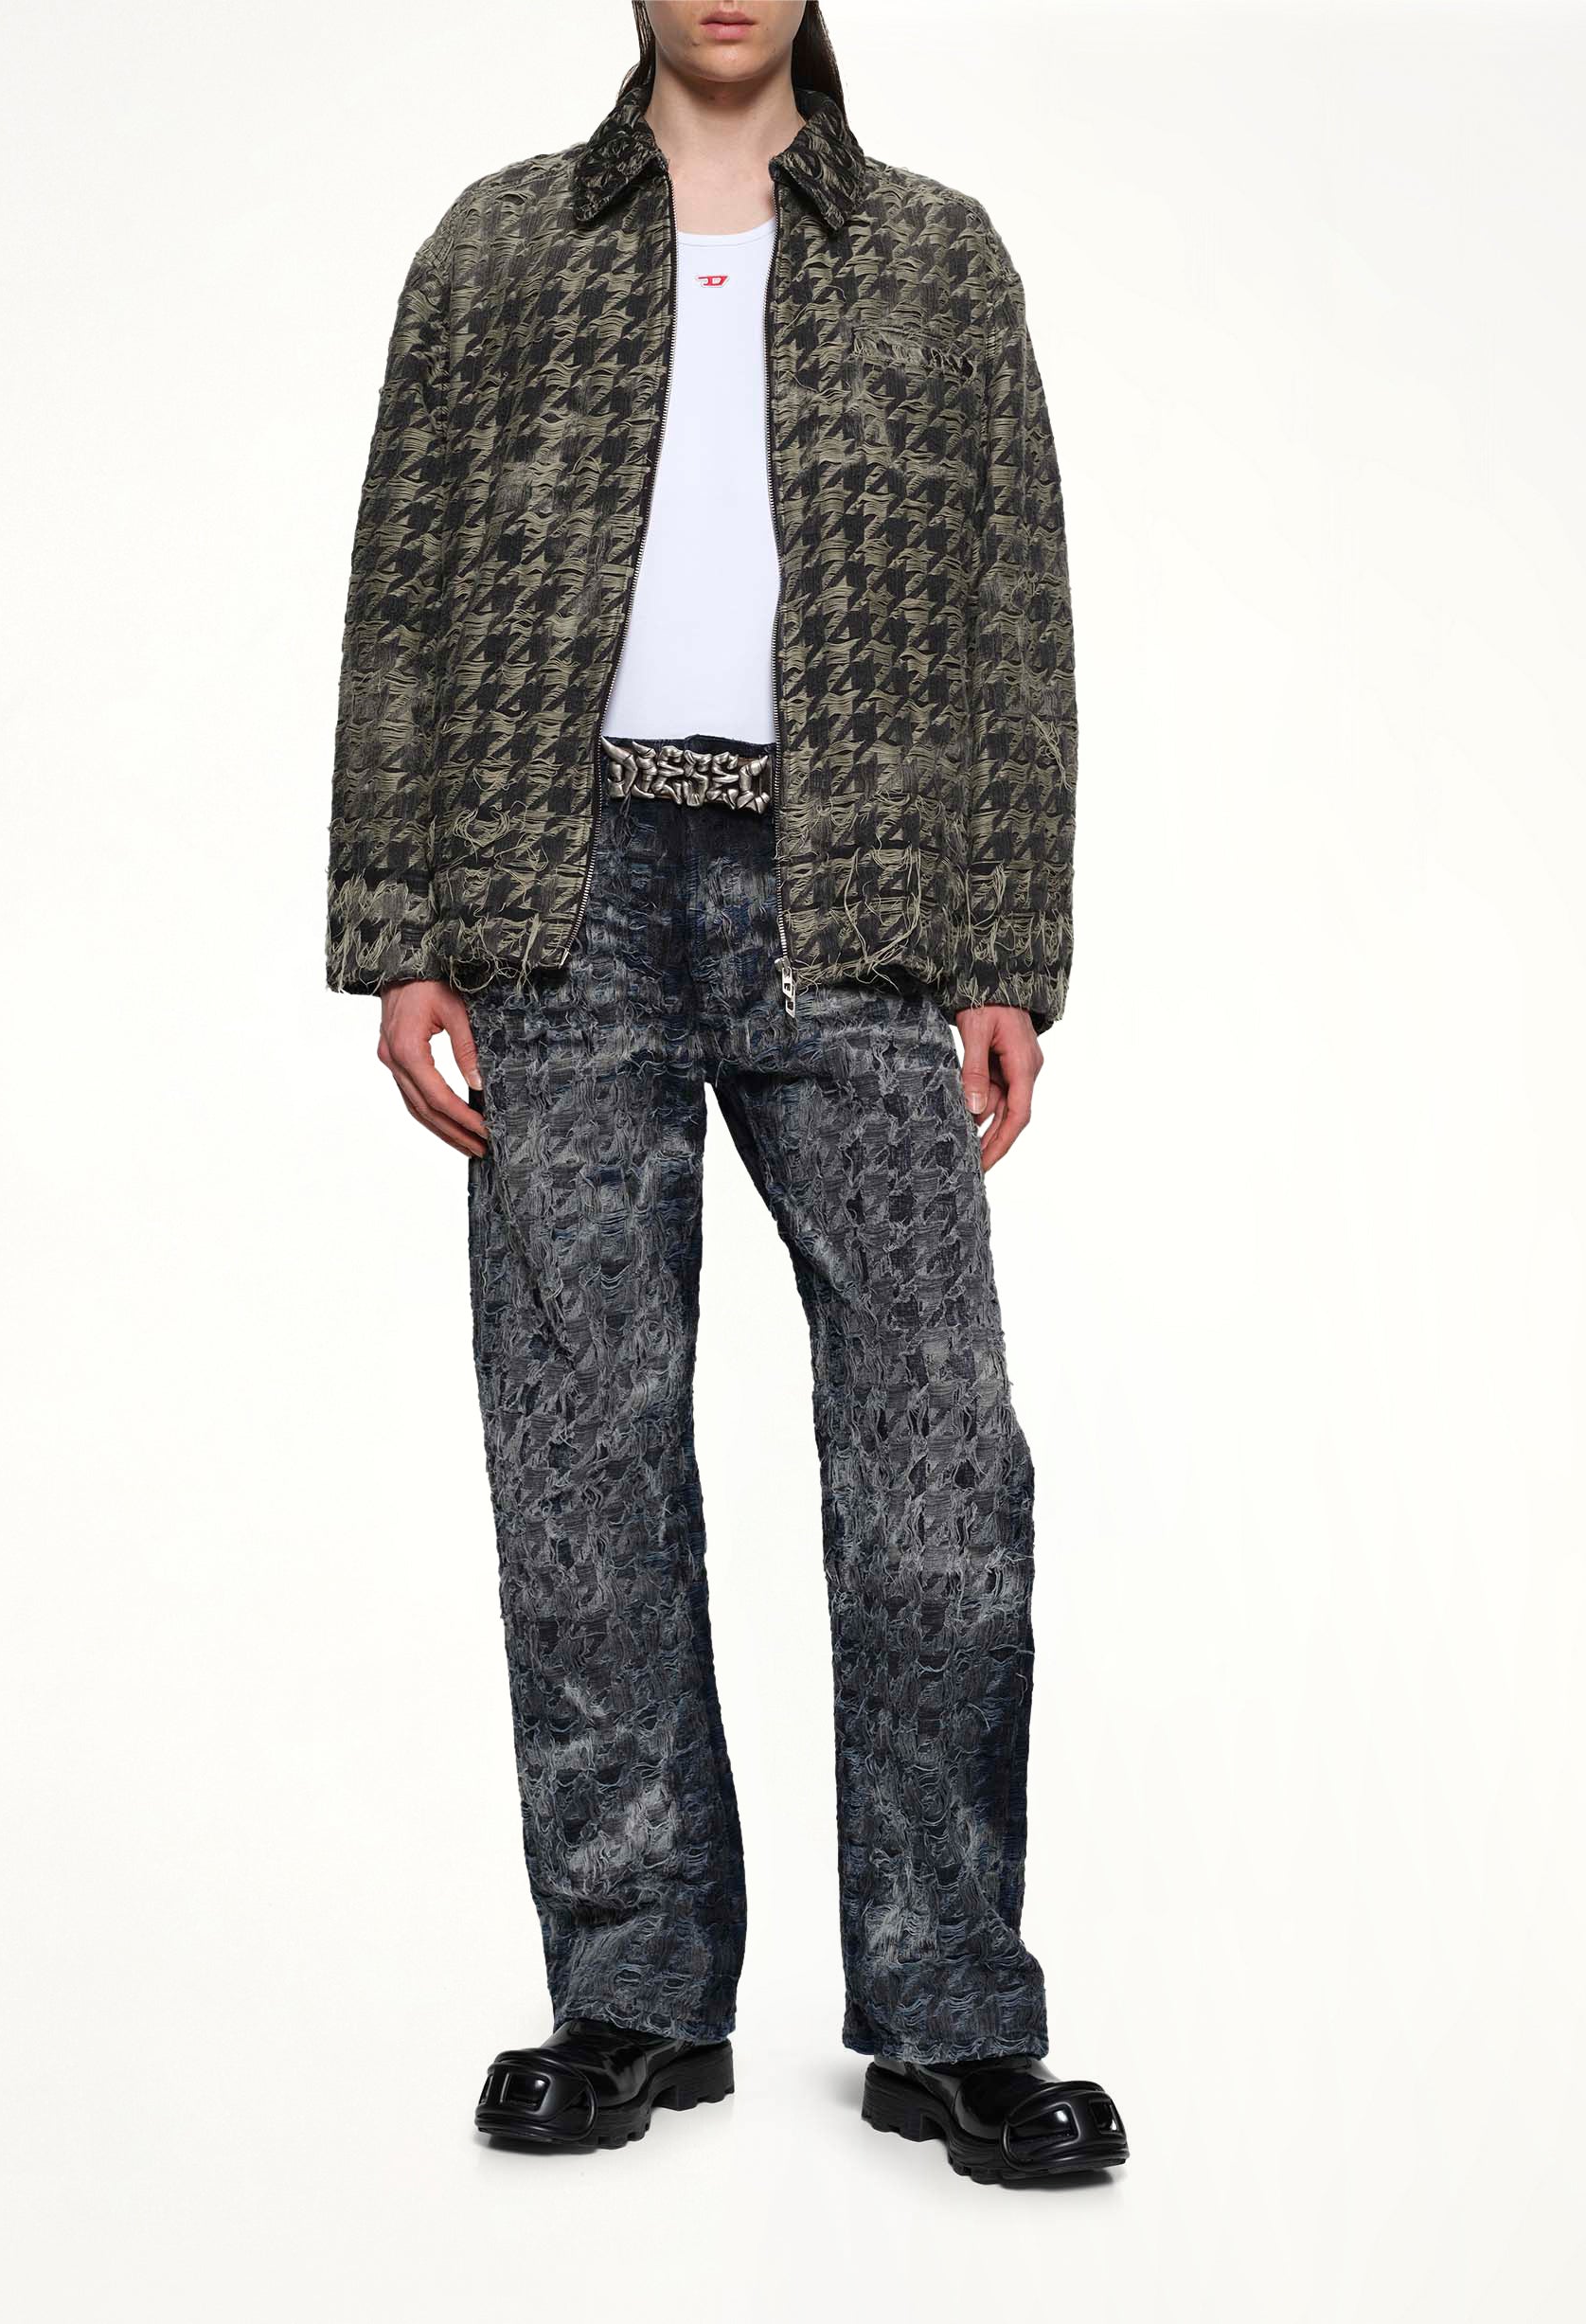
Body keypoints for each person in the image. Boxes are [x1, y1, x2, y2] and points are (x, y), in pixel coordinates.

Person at [327, 1, 1126, 2183]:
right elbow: (403, 595)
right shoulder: (496, 246)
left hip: (852, 897)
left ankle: (950, 2021)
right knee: (579, 1470)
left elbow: (1011, 615)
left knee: (939, 1475)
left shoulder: (934, 257)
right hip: (555, 889)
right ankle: (633, 1997)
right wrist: (400, 930)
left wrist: (1005, 951)